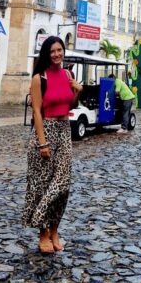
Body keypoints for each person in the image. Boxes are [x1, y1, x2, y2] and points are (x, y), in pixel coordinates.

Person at [23, 37, 82, 254]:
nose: (57, 54)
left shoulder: (68, 75)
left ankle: (55, 228)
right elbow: (37, 111)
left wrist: (77, 91)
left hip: (65, 130)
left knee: (63, 184)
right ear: (46, 54)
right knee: (43, 184)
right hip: (45, 131)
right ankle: (43, 232)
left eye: (60, 50)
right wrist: (42, 142)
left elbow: (70, 104)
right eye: (52, 51)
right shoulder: (40, 78)